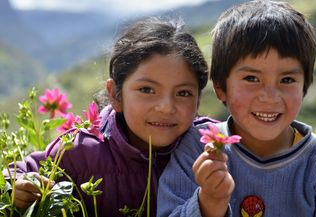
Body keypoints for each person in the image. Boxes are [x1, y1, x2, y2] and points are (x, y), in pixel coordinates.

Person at [5, 17, 212, 216]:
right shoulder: (81, 152)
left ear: (198, 100)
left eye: (183, 93)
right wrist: (17, 188)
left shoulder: (210, 147)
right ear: (115, 94)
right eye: (147, 90)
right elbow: (16, 174)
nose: (166, 108)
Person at [156, 1, 316, 216]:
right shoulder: (198, 147)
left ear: (305, 87)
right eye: (251, 78)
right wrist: (209, 202)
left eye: (287, 79)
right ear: (220, 88)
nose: (270, 96)